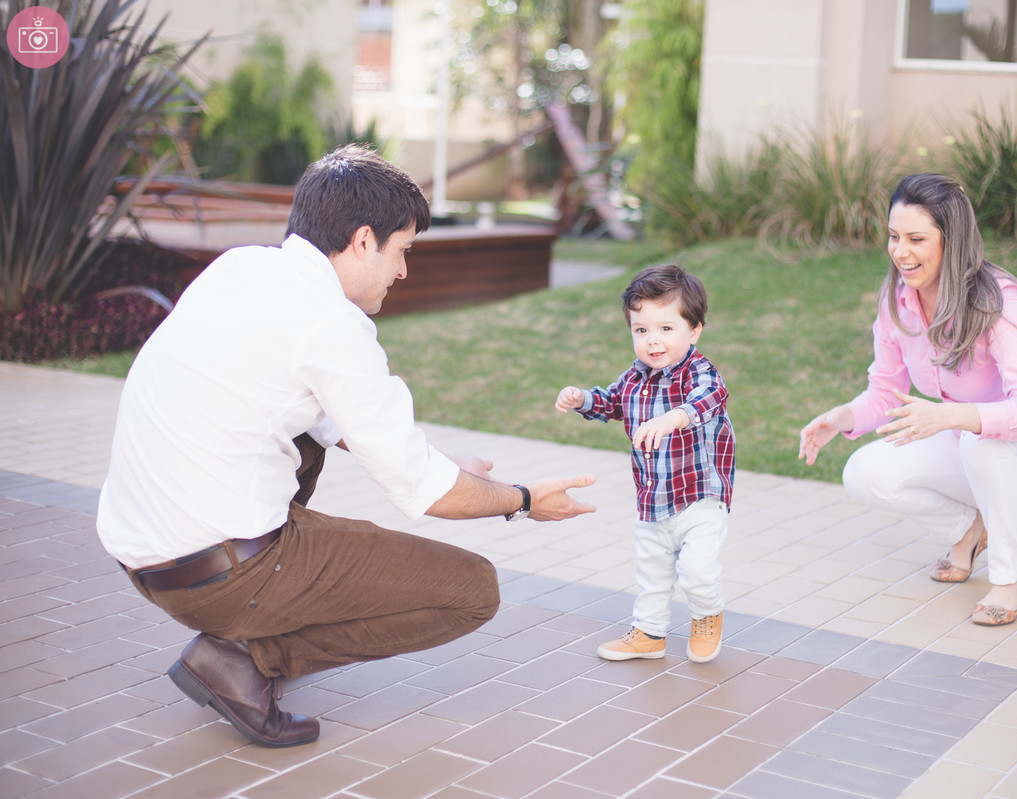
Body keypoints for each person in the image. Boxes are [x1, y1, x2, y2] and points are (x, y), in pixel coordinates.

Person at [96, 144, 596, 748]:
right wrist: (520, 498)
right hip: (220, 573)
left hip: (143, 558)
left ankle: (238, 633)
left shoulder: (241, 268)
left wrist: (442, 465)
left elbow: (340, 421)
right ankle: (242, 657)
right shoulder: (331, 324)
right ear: (363, 240)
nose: (403, 271)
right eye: (401, 250)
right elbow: (422, 490)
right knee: (472, 591)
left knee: (310, 439)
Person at [798, 173, 1017, 627]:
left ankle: (1010, 579)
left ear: (952, 239)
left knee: (982, 437)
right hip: (975, 443)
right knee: (865, 472)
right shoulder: (897, 301)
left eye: (916, 238)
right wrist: (840, 416)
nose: (900, 251)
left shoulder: (998, 304)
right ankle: (967, 532)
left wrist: (953, 416)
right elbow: (885, 391)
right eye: (894, 236)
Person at [555, 264, 735, 662]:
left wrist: (672, 418)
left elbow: (710, 398)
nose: (653, 341)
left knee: (698, 570)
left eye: (666, 329)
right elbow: (610, 402)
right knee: (652, 575)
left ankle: (707, 615)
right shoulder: (635, 378)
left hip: (699, 496)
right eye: (641, 330)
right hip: (653, 500)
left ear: (694, 331)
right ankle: (649, 634)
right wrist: (581, 398)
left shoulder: (698, 373)